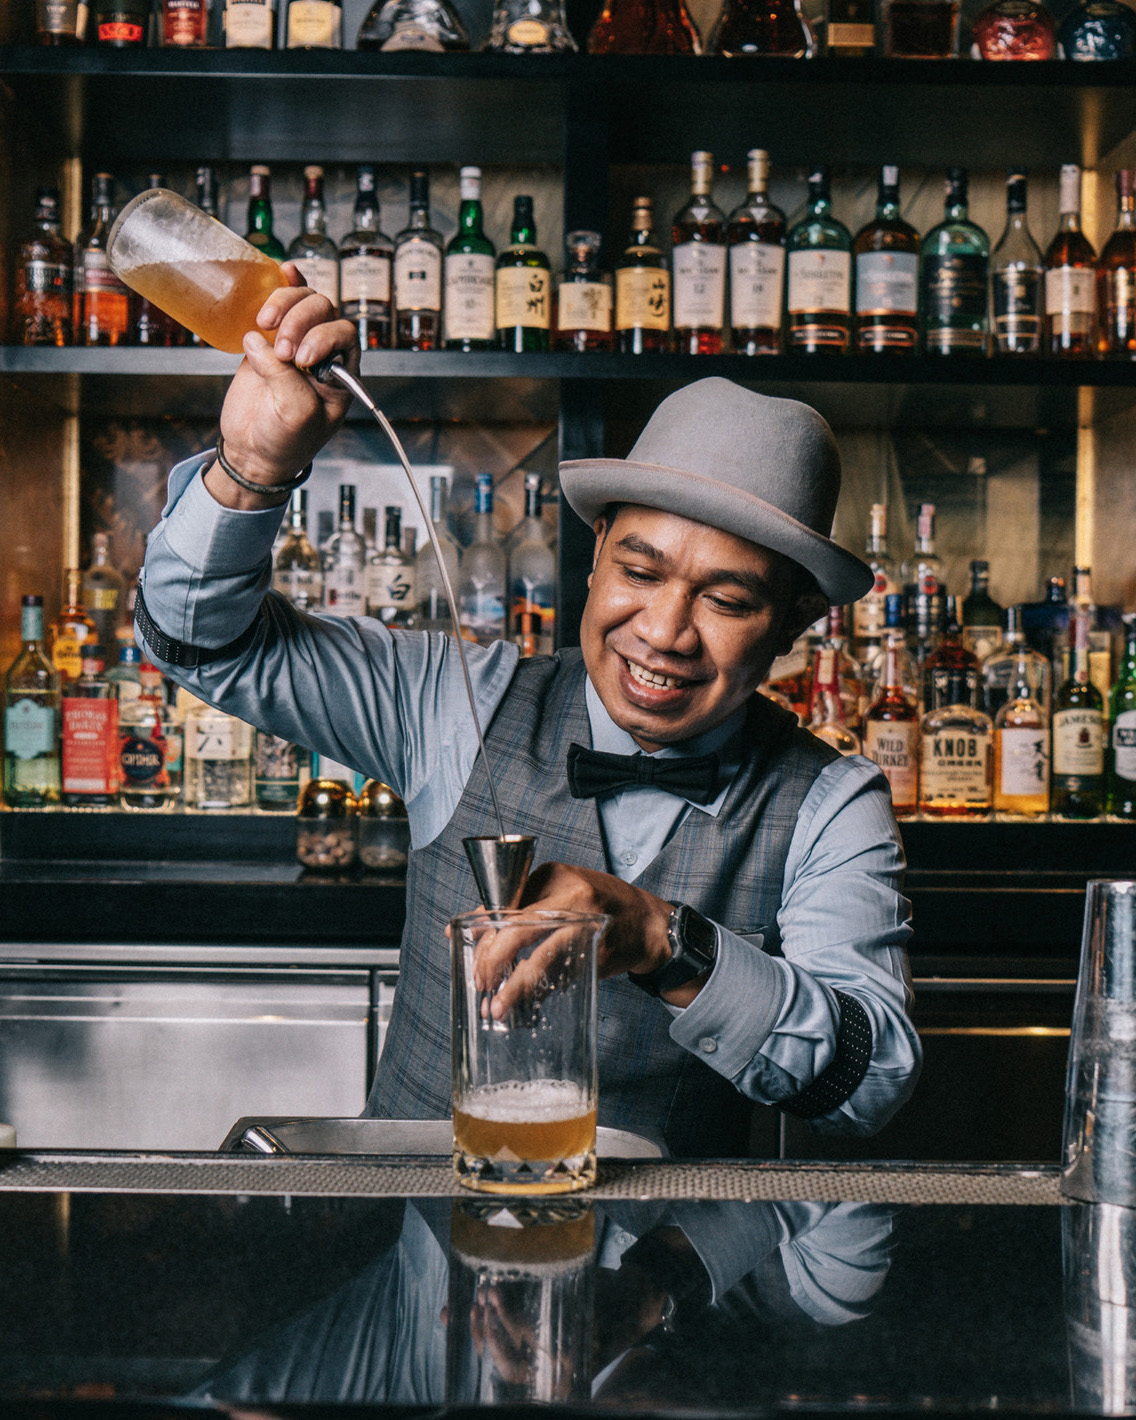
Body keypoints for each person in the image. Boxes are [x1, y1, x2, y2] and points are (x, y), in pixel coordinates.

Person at [137, 278, 921, 1156]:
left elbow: (871, 1085)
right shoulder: (454, 700)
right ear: (595, 556)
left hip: (673, 1241)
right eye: (640, 572)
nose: (664, 633)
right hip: (421, 1230)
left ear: (794, 623)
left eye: (727, 600)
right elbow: (199, 643)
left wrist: (664, 940)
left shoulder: (832, 803)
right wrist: (251, 465)